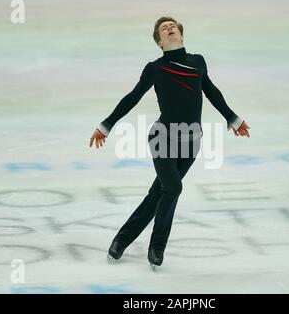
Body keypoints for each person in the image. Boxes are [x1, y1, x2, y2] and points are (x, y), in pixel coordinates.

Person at [89, 16, 250, 270]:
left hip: (191, 142)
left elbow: (211, 91)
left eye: (173, 26)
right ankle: (157, 247)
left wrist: (233, 118)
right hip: (162, 138)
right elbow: (132, 97)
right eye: (164, 29)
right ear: (160, 43)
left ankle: (121, 239)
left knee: (158, 194)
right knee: (173, 188)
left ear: (181, 35)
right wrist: (106, 125)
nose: (170, 28)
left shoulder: (198, 62)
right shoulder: (155, 68)